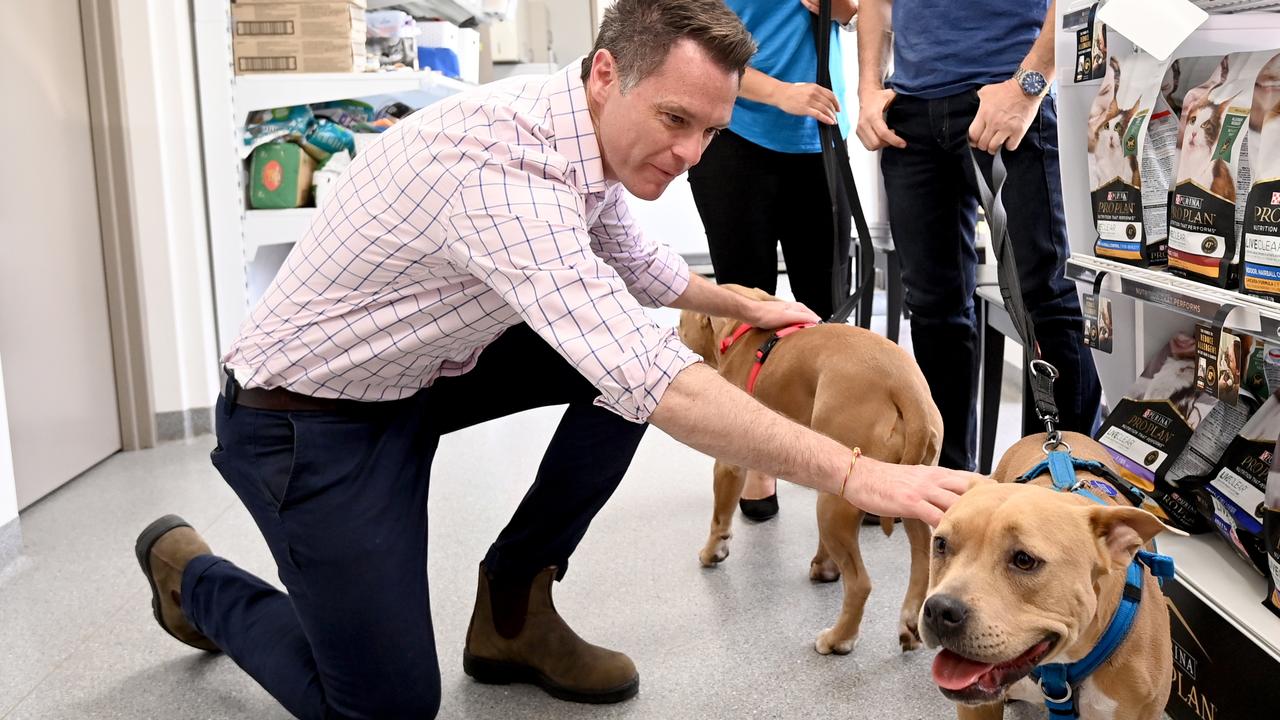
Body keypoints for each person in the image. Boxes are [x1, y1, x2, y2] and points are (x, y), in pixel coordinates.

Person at [134, 2, 974, 718]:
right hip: (305, 421)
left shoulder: (582, 132)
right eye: (675, 120)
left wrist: (745, 303)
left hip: (417, 380)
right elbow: (652, 373)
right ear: (607, 73)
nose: (690, 154)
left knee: (615, 367)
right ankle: (195, 579)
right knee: (384, 707)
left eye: (710, 131)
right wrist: (855, 475)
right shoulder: (502, 167)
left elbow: (637, 266)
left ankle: (512, 606)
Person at [856, 0, 1101, 472]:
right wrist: (869, 88)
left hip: (1006, 95)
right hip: (910, 113)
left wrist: (1028, 87)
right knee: (933, 307)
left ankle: (1057, 490)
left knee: (1045, 299)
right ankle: (950, 487)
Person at [687, 0, 857, 520]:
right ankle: (756, 457)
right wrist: (779, 92)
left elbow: (856, 15)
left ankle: (843, 456)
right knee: (743, 308)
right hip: (735, 132)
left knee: (826, 312)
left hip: (820, 133)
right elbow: (696, 41)